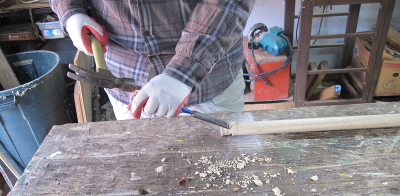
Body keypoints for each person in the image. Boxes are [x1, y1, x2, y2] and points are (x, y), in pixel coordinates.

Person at [50, 0, 255, 120]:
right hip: (124, 78)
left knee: (222, 161)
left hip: (210, 80)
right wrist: (70, 12)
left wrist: (184, 72)